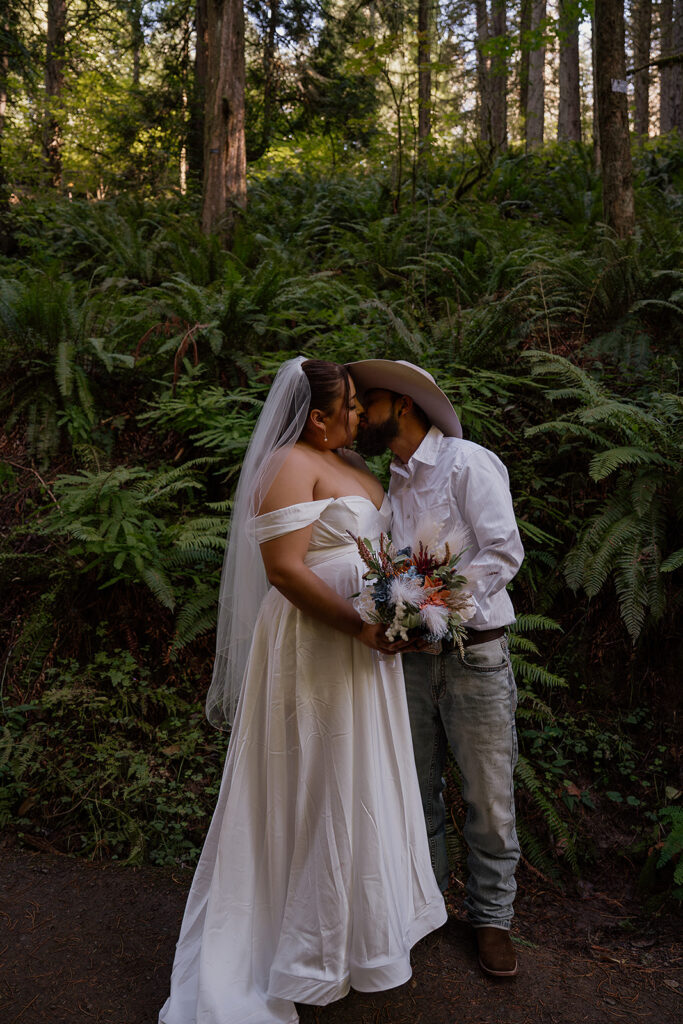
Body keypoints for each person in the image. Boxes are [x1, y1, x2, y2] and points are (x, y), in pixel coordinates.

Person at [159, 357, 446, 1024]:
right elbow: (286, 570)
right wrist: (358, 626)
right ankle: (294, 945)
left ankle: (351, 934)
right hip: (316, 645)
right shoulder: (290, 463)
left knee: (358, 778)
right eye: (348, 406)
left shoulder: (357, 469)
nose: (359, 414)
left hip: (362, 650)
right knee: (315, 775)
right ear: (315, 416)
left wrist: (409, 606)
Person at [349, 358, 524, 979]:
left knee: (488, 797)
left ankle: (493, 920)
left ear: (401, 404)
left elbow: (504, 550)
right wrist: (397, 617)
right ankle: (430, 910)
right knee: (415, 788)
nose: (356, 415)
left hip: (475, 654)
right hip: (414, 662)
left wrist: (436, 605)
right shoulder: (392, 479)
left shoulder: (466, 463)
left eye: (364, 403)